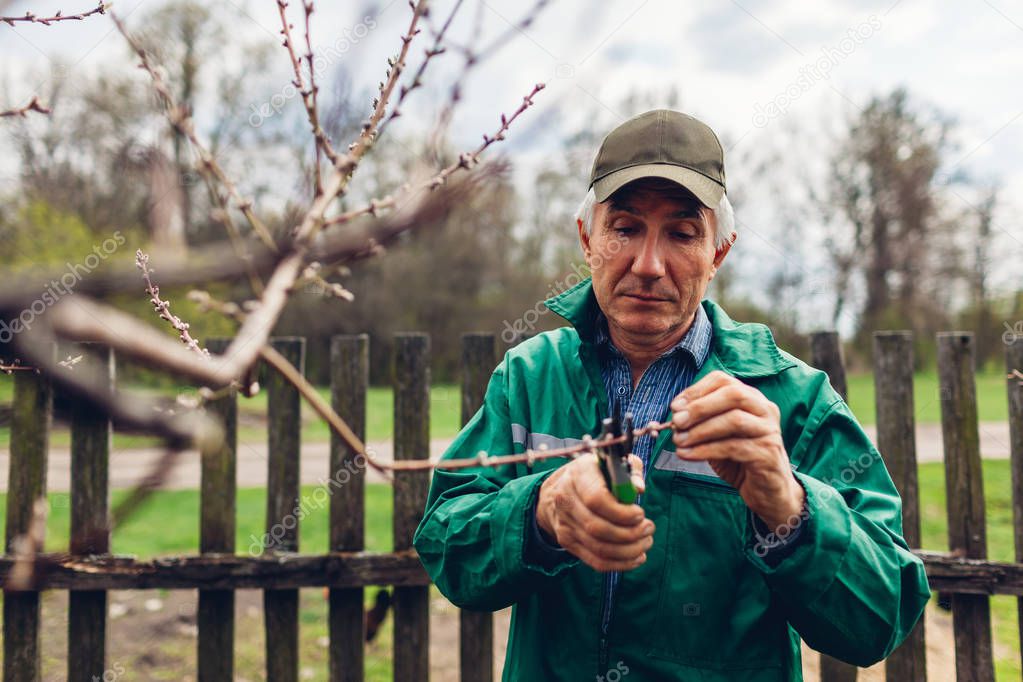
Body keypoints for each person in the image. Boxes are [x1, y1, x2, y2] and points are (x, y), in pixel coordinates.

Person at [413, 109, 931, 681]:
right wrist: (542, 512)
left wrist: (790, 507)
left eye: (682, 234)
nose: (649, 264)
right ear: (588, 240)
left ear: (719, 253)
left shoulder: (794, 401)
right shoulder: (530, 377)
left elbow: (881, 619)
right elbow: (445, 544)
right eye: (626, 228)